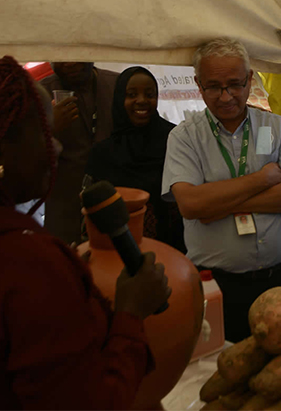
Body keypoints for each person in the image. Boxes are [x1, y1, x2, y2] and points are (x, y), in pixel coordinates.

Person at [0, 56, 171, 409]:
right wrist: (130, 313)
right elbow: (90, 400)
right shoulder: (30, 263)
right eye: (44, 134)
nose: (56, 148)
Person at [162, 38, 281, 343]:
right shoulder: (184, 138)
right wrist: (262, 179)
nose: (226, 96)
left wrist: (217, 203)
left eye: (234, 84)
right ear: (199, 85)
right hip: (219, 286)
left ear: (249, 79)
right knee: (223, 362)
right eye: (214, 87)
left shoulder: (276, 127)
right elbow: (190, 205)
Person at [86, 67, 186, 253]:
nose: (141, 100)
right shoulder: (102, 154)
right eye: (131, 95)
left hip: (175, 249)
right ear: (119, 99)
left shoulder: (176, 140)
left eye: (149, 94)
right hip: (119, 252)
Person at [40, 62, 118, 244]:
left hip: (116, 207)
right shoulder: (39, 94)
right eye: (62, 54)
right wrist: (48, 128)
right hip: (64, 215)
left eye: (76, 54)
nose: (70, 62)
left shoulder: (117, 85)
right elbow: (23, 160)